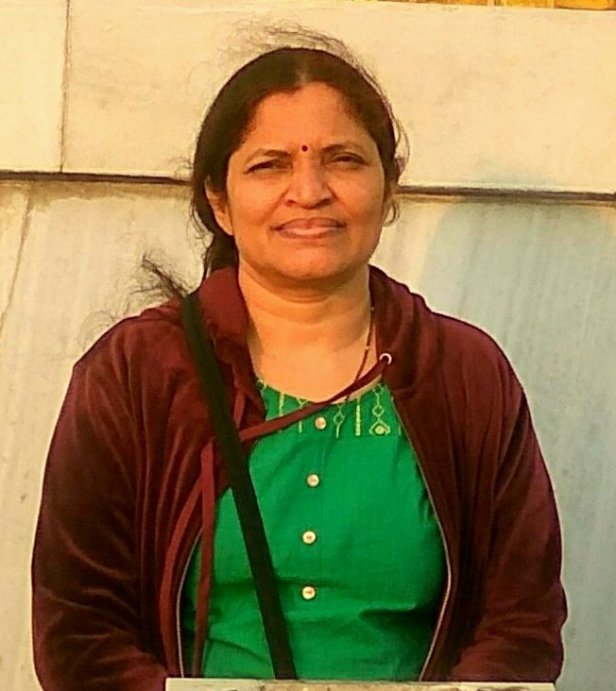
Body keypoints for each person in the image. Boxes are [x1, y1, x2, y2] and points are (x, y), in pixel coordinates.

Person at [31, 37, 566, 691]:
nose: (309, 191)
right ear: (219, 202)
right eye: (269, 166)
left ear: (388, 189)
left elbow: (521, 623)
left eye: (344, 160)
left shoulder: (463, 375)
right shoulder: (138, 374)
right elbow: (79, 628)